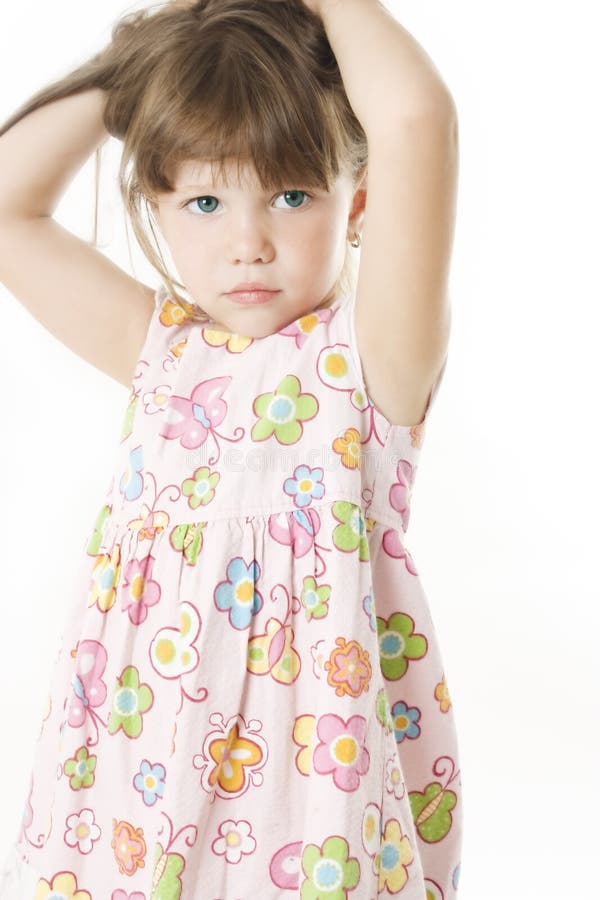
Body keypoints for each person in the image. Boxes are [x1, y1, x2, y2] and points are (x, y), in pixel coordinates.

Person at [0, 0, 461, 896]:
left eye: (291, 196)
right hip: (143, 771)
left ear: (356, 203)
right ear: (159, 209)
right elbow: (5, 203)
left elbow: (415, 120)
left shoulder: (371, 362)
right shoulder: (162, 350)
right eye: (205, 201)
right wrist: (161, 43)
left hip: (308, 795)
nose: (248, 244)